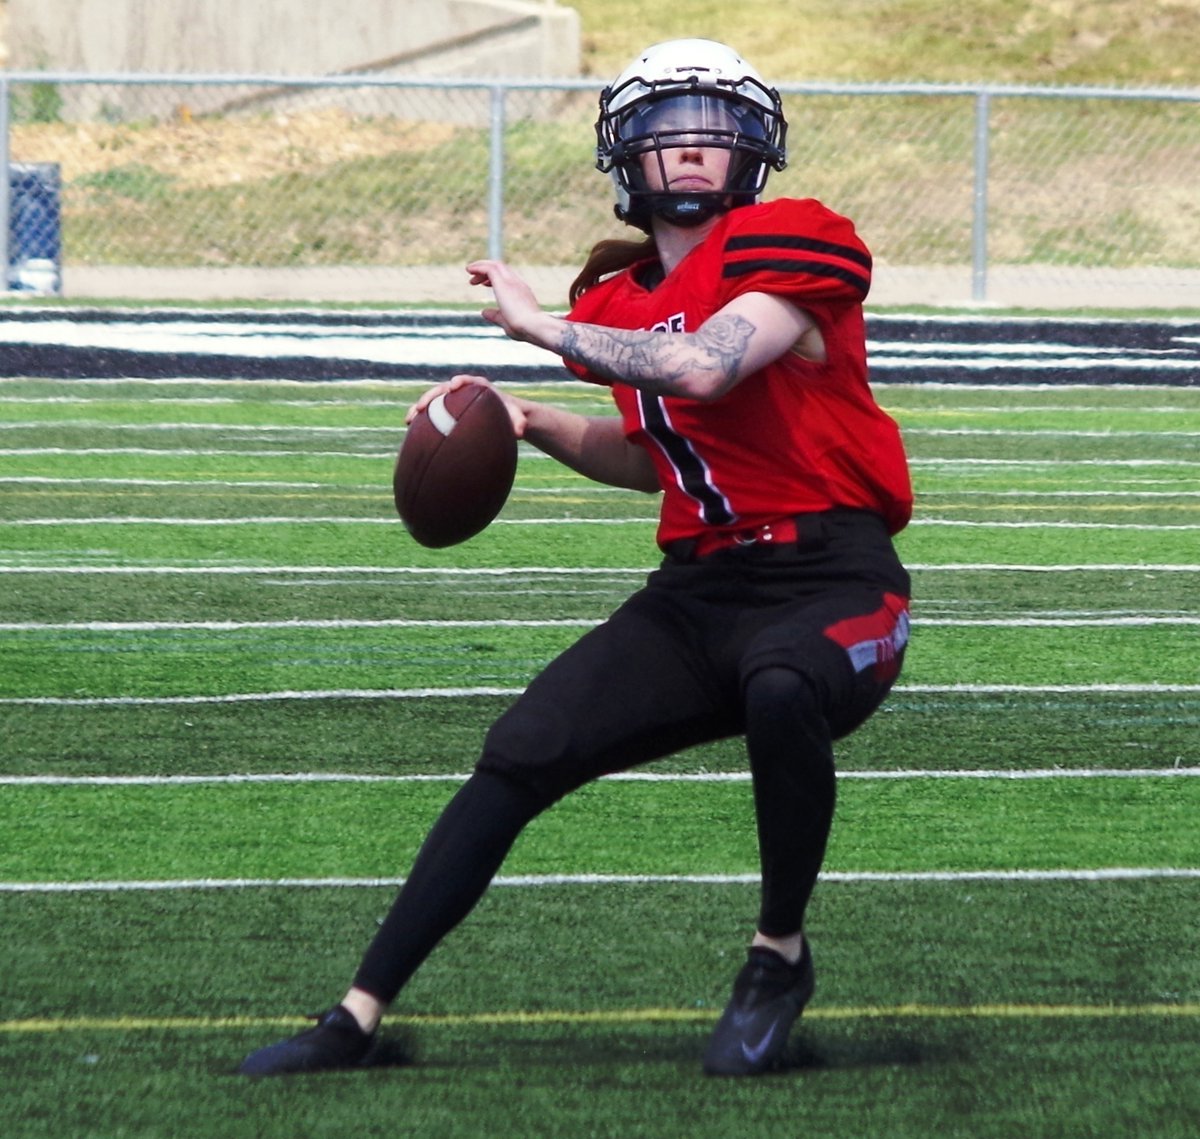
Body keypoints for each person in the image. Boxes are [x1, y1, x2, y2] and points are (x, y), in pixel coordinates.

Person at [240, 37, 913, 1079]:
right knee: (521, 749)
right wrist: (522, 416)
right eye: (665, 132)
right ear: (624, 160)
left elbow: (702, 364)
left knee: (783, 686)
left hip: (832, 577)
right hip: (700, 590)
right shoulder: (618, 301)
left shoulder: (795, 241)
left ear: (756, 151)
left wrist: (542, 331)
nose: (693, 152)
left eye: (717, 130)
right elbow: (654, 460)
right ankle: (356, 1014)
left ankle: (777, 954)